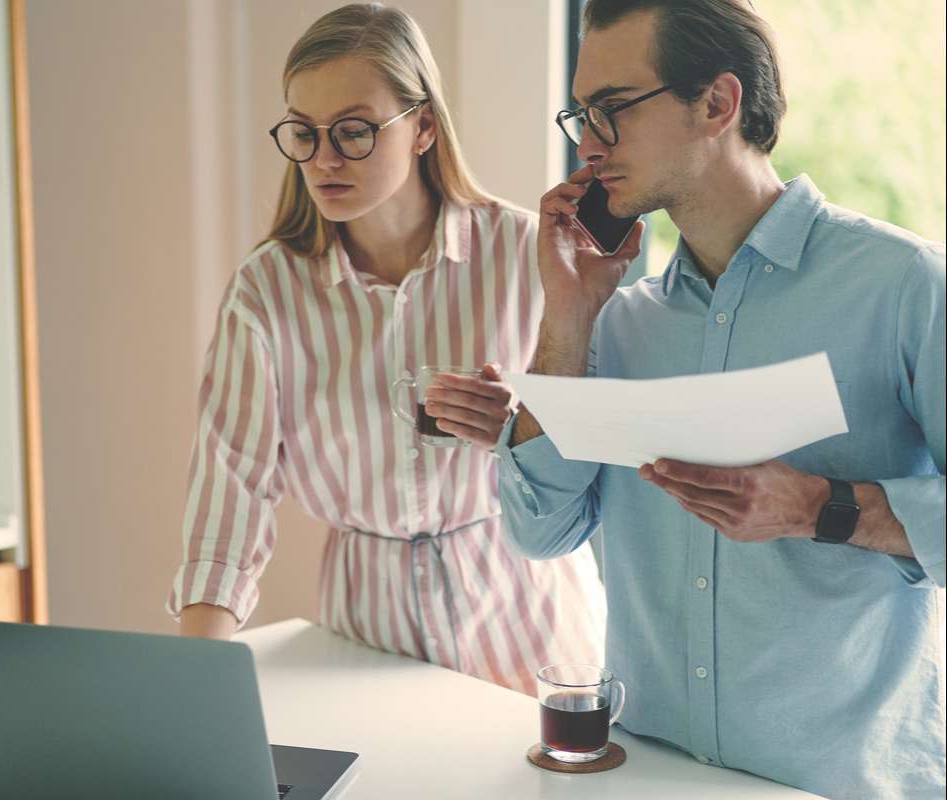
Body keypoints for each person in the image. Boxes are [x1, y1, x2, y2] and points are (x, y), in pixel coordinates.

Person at [497, 0, 946, 796]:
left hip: (838, 781)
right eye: (579, 113)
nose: (586, 143)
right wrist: (565, 315)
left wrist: (821, 507)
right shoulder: (619, 321)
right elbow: (538, 530)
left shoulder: (902, 285)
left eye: (610, 110)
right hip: (646, 772)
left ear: (717, 103)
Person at [166, 3, 605, 694]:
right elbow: (230, 496)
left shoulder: (527, 253)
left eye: (354, 132)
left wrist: (518, 424)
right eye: (303, 134)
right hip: (361, 638)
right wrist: (195, 683)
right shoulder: (267, 291)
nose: (325, 159)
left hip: (527, 620)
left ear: (423, 126)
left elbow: (605, 448)